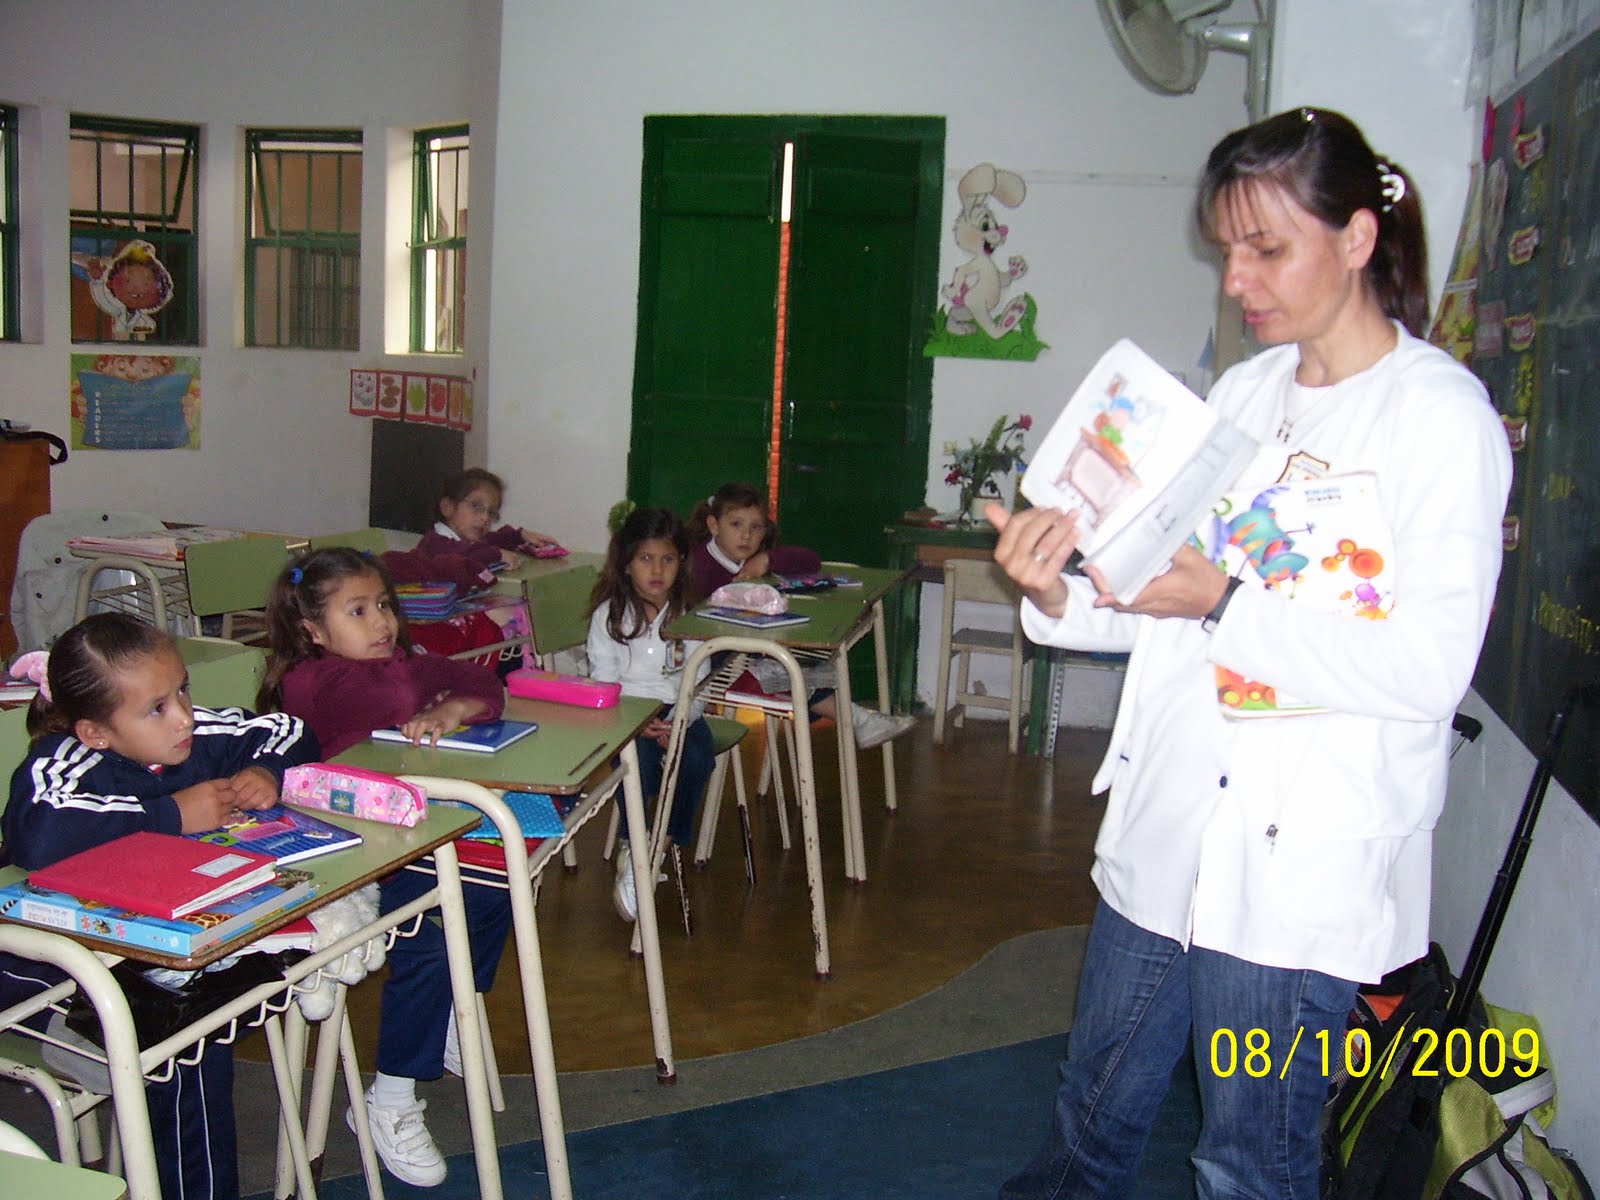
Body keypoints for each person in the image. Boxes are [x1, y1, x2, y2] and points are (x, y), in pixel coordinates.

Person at [988, 107, 1512, 1199]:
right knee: (1089, 1120)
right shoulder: (1238, 397)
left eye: (1264, 247)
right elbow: (1151, 596)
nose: (1235, 279)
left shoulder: (1437, 418)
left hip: (1299, 876)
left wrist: (1225, 599)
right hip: (1169, 836)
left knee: (1249, 1167)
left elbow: (1426, 670)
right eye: (1229, 248)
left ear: (1357, 239)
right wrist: (1055, 589)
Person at [1, 612, 316, 1200]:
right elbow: (39, 838)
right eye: (158, 709)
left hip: (137, 953)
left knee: (190, 1031)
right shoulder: (65, 760)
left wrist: (264, 771)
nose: (186, 718)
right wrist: (172, 816)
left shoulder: (194, 739)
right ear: (95, 732)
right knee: (178, 1036)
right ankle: (80, 1039)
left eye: (183, 692)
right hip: (42, 956)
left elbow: (287, 728)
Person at [259, 546, 511, 1188]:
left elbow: (486, 682)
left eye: (385, 607)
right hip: (339, 861)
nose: (383, 624)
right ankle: (391, 1099)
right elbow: (397, 689)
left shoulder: (387, 664)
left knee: (491, 887)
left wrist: (453, 704)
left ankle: (457, 1001)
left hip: (396, 839)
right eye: (359, 611)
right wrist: (437, 683)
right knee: (433, 921)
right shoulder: (313, 680)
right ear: (313, 631)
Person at [687, 481, 915, 751]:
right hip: (709, 662)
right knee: (787, 667)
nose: (746, 536)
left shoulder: (748, 559)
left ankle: (859, 719)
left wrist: (766, 560)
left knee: (798, 664)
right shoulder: (699, 563)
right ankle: (857, 719)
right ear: (714, 526)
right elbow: (701, 622)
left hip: (746, 651)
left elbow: (809, 560)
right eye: (736, 525)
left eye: (756, 527)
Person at [586, 507, 716, 921]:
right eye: (646, 559)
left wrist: (679, 720)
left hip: (680, 712)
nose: (657, 570)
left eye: (668, 559)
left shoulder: (692, 613)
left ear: (681, 563)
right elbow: (603, 681)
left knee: (696, 758)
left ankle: (657, 846)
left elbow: (699, 683)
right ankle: (634, 844)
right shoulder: (608, 615)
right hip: (624, 716)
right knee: (636, 763)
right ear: (626, 564)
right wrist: (636, 722)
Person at [415, 466, 560, 572]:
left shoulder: (466, 539)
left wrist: (521, 536)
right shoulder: (434, 544)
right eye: (475, 506)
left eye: (491, 512)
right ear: (448, 507)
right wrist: (497, 554)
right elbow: (463, 553)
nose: (485, 518)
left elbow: (489, 541)